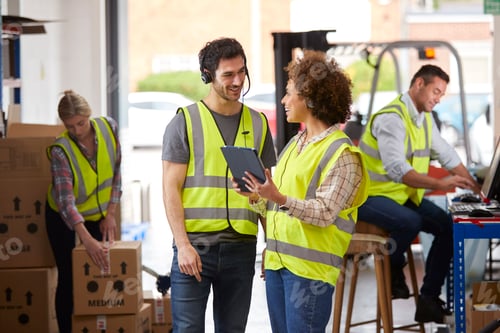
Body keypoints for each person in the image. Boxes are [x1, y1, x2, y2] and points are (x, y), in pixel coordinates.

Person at [233, 50, 369, 333]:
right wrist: (257, 195)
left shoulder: (342, 154)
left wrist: (278, 197)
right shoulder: (295, 144)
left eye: (289, 93)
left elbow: (325, 213)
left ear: (310, 98)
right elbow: (277, 206)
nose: (283, 100)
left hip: (310, 275)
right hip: (278, 265)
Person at [161, 37, 277, 333]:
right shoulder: (184, 122)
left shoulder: (259, 124)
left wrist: (271, 243)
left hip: (241, 248)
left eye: (241, 72)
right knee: (187, 330)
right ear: (207, 75)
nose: (238, 81)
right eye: (228, 74)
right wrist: (183, 246)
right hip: (195, 248)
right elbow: (170, 188)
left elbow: (267, 190)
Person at [357, 64, 481, 324]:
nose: (437, 98)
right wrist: (441, 183)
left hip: (400, 198)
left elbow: (445, 152)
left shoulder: (422, 118)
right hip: (370, 197)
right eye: (435, 91)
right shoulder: (391, 118)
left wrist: (474, 185)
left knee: (447, 226)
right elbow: (398, 170)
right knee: (411, 222)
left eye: (441, 94)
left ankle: (428, 300)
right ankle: (393, 268)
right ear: (418, 85)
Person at [45, 90, 121, 333]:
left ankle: (98, 327)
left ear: (89, 114)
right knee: (68, 276)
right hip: (62, 217)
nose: (77, 131)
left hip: (98, 212)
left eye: (81, 123)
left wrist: (110, 213)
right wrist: (86, 240)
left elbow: (118, 172)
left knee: (99, 270)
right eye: (70, 126)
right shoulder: (61, 150)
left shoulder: (109, 128)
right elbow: (66, 203)